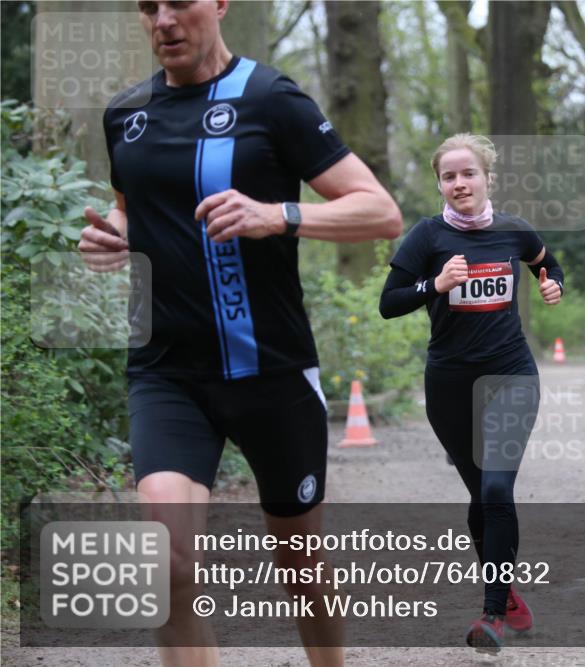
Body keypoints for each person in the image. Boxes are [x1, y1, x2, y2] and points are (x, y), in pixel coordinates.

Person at [77, 2, 402, 665]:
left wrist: (279, 214)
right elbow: (133, 213)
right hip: (167, 372)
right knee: (166, 562)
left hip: (271, 370)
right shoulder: (125, 114)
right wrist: (114, 236)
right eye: (148, 6)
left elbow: (381, 211)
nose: (164, 21)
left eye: (179, 2)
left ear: (220, 4)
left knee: (299, 563)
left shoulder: (271, 98)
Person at [379, 133, 563, 654]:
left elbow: (547, 263)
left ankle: (492, 616)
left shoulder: (514, 230)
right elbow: (389, 303)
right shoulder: (427, 236)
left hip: (511, 375)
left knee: (497, 490)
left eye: (468, 174)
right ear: (440, 184)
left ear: (488, 178)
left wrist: (552, 284)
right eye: (449, 176)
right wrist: (434, 285)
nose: (459, 183)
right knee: (481, 494)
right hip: (450, 385)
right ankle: (508, 597)